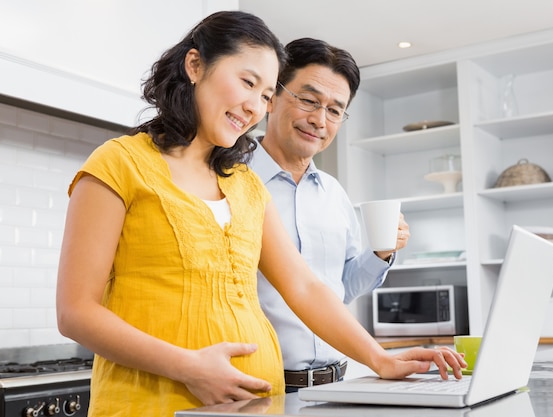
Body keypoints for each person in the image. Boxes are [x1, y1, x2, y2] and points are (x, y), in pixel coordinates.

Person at [56, 10, 466, 417]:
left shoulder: (244, 185)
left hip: (257, 406)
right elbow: (75, 312)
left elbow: (304, 288)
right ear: (195, 65)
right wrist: (190, 367)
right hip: (151, 404)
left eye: (266, 95)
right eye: (247, 82)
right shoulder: (118, 164)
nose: (255, 106)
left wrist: (381, 359)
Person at [249, 38, 410, 391]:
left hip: (335, 384)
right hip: (262, 386)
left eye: (335, 110)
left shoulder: (334, 194)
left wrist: (381, 254)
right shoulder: (232, 179)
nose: (319, 120)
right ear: (272, 97)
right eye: (308, 100)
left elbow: (340, 289)